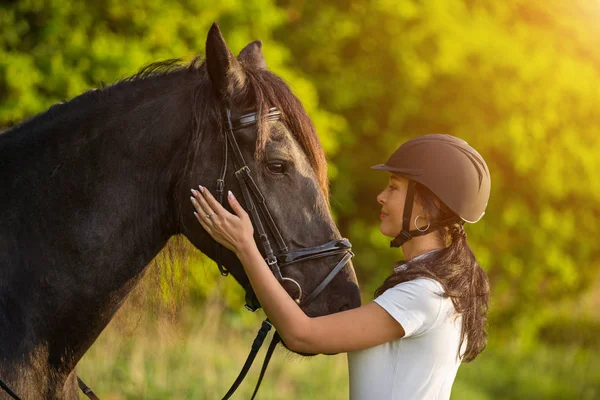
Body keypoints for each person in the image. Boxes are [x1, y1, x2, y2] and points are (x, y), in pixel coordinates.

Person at [190, 133, 491, 399]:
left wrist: (245, 246)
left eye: (394, 188)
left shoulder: (424, 294)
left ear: (429, 206)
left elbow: (301, 334)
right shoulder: (433, 286)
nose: (381, 197)